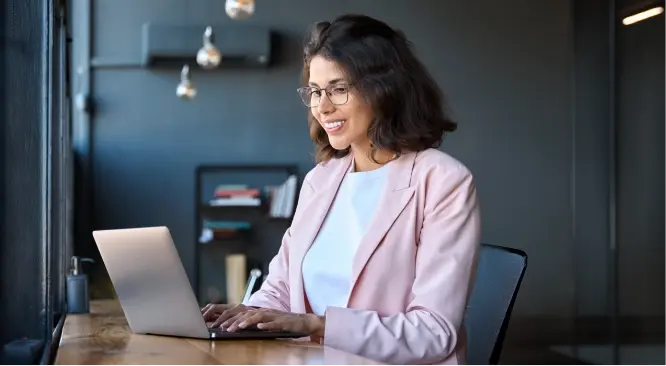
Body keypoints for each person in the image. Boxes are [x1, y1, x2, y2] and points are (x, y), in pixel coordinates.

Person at [201, 14, 481, 366]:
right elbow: (282, 287)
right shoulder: (322, 179)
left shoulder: (443, 181)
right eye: (316, 91)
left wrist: (316, 324)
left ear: (385, 89)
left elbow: (434, 332)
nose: (323, 107)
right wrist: (246, 315)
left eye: (338, 89)